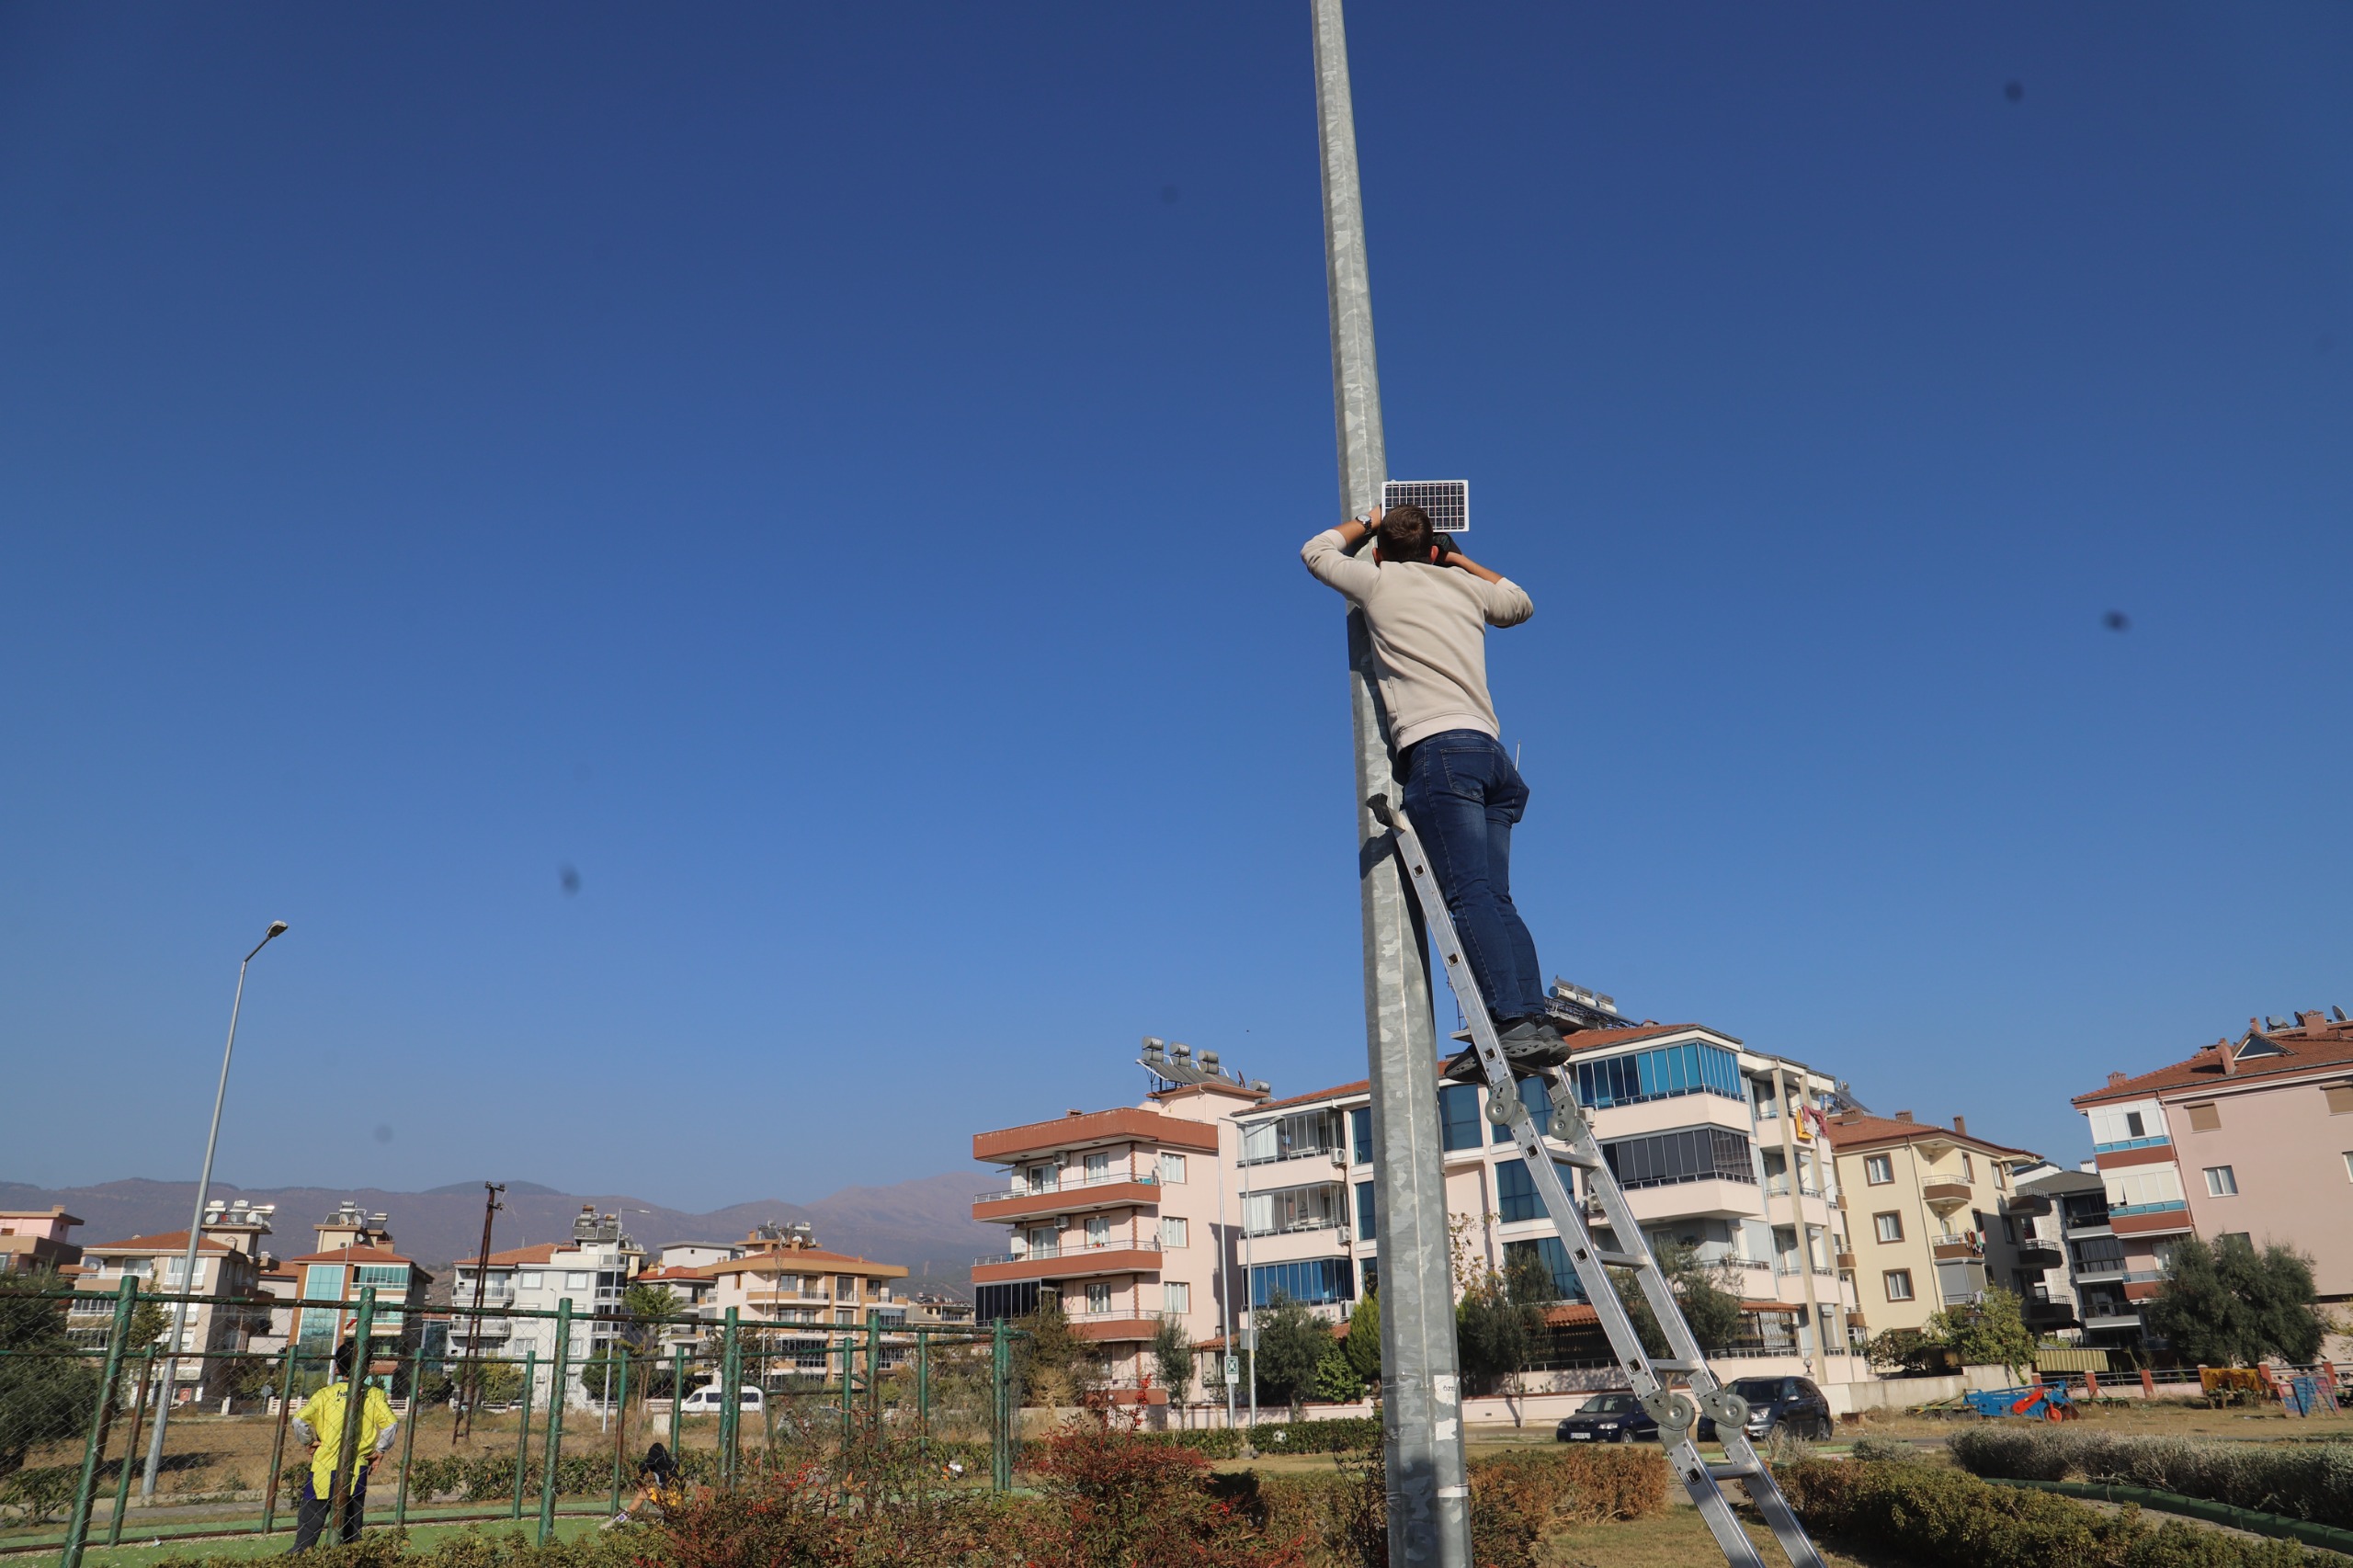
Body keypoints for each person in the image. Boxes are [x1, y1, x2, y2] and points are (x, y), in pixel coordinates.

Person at [1302, 503, 1568, 1076]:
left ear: (1378, 550)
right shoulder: (1462, 586)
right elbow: (1519, 601)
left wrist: (1367, 519)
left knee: (1468, 896)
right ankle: (1533, 1021)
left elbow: (1317, 551)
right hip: (1491, 757)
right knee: (1495, 898)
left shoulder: (1376, 579)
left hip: (1439, 752)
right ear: (1433, 549)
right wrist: (1457, 559)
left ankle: (1513, 1025)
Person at [287, 1338, 399, 1552]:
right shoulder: (373, 1395)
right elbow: (391, 1424)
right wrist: (380, 1450)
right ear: (368, 1367)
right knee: (350, 1537)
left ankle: (297, 1556)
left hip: (322, 1468)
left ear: (337, 1367)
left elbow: (298, 1421)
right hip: (355, 1470)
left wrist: (309, 1442)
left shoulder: (325, 1394)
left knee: (306, 1536)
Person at [602, 1442, 683, 1528]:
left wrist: (640, 1481)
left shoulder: (655, 1461)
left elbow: (641, 1468)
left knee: (641, 1494)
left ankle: (620, 1520)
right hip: (679, 1498)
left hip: (669, 1496)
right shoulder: (669, 1463)